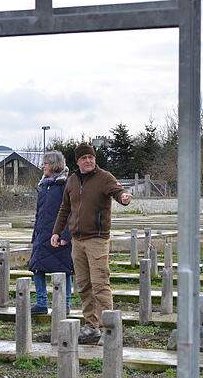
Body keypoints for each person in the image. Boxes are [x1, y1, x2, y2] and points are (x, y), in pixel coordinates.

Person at [51, 142, 132, 344]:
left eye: (91, 157)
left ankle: (109, 329)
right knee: (84, 286)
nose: (88, 161)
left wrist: (123, 198)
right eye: (84, 158)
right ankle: (91, 326)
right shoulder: (72, 181)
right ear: (77, 161)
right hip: (77, 241)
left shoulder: (104, 177)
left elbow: (117, 192)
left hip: (97, 239)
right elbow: (64, 208)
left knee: (100, 284)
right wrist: (57, 232)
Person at [29, 150, 73, 315]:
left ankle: (65, 304)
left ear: (54, 165)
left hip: (58, 235)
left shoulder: (65, 185)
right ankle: (41, 303)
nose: (43, 166)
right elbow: (39, 213)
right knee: (37, 267)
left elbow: (71, 212)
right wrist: (36, 234)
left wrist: (65, 235)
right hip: (42, 235)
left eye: (45, 164)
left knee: (64, 269)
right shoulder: (44, 185)